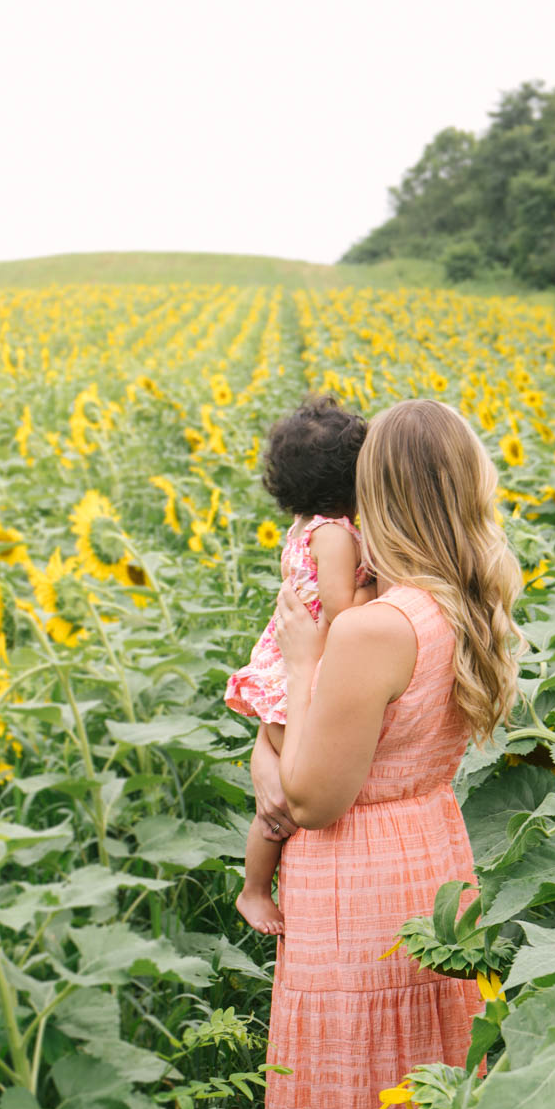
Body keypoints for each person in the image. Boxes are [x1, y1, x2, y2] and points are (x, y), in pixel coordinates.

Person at [247, 399, 523, 1109]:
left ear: (379, 491)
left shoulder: (368, 626)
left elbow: (313, 796)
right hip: (433, 861)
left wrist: (305, 658)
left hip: (355, 882)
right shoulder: (457, 605)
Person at [225, 396, 373, 936]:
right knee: (291, 792)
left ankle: (256, 888)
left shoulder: (304, 526)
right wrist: (377, 590)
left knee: (278, 784)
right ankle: (255, 890)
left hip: (281, 669)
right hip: (299, 673)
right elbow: (339, 612)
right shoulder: (334, 535)